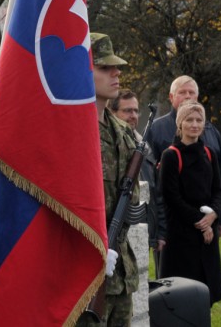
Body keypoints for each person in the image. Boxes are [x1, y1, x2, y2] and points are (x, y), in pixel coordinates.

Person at [78, 32, 136, 327]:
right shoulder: (73, 131)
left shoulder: (122, 131)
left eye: (116, 67)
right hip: (83, 274)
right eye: (104, 68)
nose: (116, 74)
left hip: (120, 272)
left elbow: (132, 200)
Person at [144, 75, 221, 239]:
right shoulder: (156, 130)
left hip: (209, 220)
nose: (187, 96)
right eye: (182, 92)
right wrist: (158, 226)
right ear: (171, 97)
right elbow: (150, 180)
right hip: (172, 223)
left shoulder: (212, 131)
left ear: (197, 97)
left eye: (191, 93)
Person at [157, 100, 221, 305]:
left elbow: (218, 190)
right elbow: (172, 198)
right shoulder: (171, 155)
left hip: (207, 236)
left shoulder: (210, 154)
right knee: (181, 296)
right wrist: (202, 223)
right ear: (180, 124)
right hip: (182, 235)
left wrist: (213, 215)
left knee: (205, 294)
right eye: (189, 120)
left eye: (199, 120)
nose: (194, 124)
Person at [109, 89, 166, 277]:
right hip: (116, 230)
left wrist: (159, 232)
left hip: (142, 229)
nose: (133, 115)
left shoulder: (145, 147)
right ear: (113, 112)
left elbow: (155, 191)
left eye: (135, 110)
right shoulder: (109, 146)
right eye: (127, 110)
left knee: (139, 281)